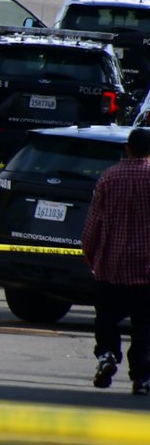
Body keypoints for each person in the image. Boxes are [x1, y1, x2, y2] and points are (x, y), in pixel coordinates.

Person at [82, 127, 150, 395]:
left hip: (111, 267)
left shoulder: (108, 178)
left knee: (107, 318)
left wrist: (91, 257)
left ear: (127, 149)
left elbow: (92, 225)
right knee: (145, 326)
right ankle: (143, 376)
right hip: (146, 270)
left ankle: (108, 354)